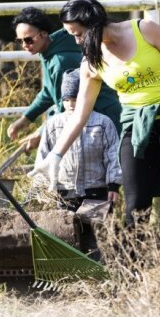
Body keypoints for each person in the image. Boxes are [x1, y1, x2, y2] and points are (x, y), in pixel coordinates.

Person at [31, 0, 160, 246]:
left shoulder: (143, 30)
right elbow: (80, 113)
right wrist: (57, 155)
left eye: (78, 34)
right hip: (137, 130)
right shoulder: (92, 61)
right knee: (136, 206)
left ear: (93, 25)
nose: (76, 41)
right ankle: (135, 272)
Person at [7, 7, 122, 151]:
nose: (25, 45)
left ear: (43, 33)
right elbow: (49, 91)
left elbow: (68, 107)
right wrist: (26, 119)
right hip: (90, 115)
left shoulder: (60, 61)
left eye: (29, 40)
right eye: (20, 41)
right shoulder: (49, 50)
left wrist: (41, 133)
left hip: (101, 118)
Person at [32, 68, 121, 211]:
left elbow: (113, 156)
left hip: (96, 191)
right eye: (66, 100)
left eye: (75, 99)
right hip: (65, 192)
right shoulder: (53, 125)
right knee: (68, 230)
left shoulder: (103, 123)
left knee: (96, 231)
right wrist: (41, 186)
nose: (71, 104)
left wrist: (114, 185)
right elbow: (43, 156)